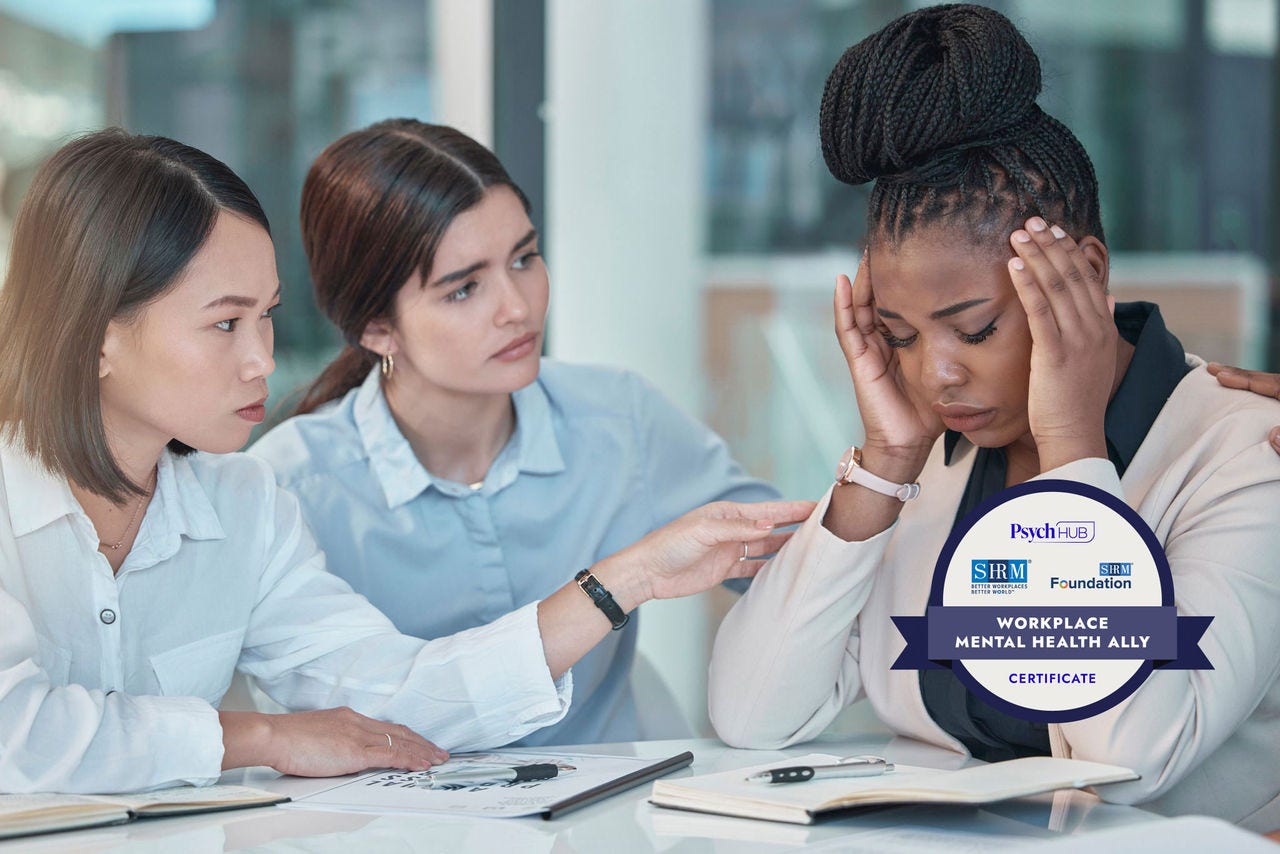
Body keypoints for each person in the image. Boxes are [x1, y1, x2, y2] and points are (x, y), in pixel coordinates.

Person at [0, 128, 814, 794]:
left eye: (268, 317)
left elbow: (397, 698)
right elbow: (16, 734)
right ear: (101, 332)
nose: (261, 360)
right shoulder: (288, 477)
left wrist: (627, 578)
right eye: (225, 324)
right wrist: (260, 737)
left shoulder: (244, 505)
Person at [708, 4, 1280, 829]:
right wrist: (884, 460)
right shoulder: (932, 467)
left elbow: (1133, 759)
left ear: (1083, 274)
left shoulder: (1240, 458)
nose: (936, 374)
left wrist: (1075, 454)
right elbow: (751, 713)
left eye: (976, 329)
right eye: (899, 337)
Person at [247, 120, 781, 745]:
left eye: (525, 258)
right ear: (375, 328)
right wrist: (625, 578)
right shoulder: (290, 488)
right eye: (464, 288)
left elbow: (805, 575)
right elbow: (380, 718)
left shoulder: (619, 419)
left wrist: (888, 472)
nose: (518, 307)